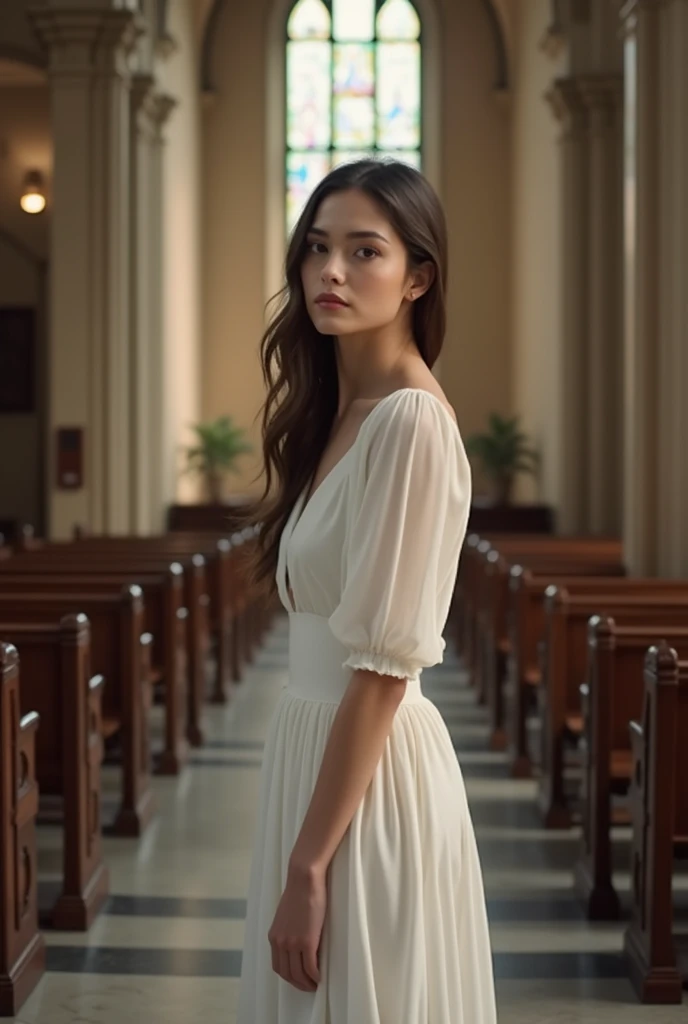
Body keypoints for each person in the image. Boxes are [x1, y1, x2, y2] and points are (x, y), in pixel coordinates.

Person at [237, 159, 497, 1023]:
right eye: (317, 248)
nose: (331, 272)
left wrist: (310, 866)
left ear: (418, 276)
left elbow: (383, 669)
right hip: (312, 750)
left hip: (370, 782)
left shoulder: (412, 423)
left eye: (364, 251)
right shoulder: (341, 413)